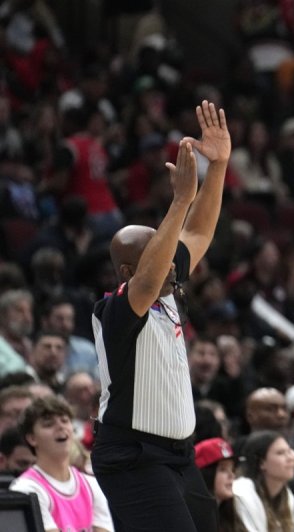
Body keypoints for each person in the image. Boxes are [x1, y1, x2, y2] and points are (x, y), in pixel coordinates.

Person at [90, 100, 231, 532]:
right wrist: (179, 201)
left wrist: (219, 166)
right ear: (128, 272)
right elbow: (149, 280)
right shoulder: (114, 311)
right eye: (161, 256)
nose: (173, 263)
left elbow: (199, 230)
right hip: (133, 458)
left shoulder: (168, 286)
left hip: (178, 455)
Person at [10, 396, 113, 531]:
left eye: (65, 421)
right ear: (32, 438)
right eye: (49, 424)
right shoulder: (27, 488)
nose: (60, 427)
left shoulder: (91, 485)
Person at [234, 430, 294, 532]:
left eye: (289, 452)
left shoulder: (287, 495)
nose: (291, 458)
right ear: (262, 463)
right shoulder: (241, 493)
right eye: (281, 453)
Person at [194, 437, 247, 532]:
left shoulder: (233, 514)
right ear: (205, 474)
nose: (232, 475)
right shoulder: (192, 519)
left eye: (232, 469)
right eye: (223, 469)